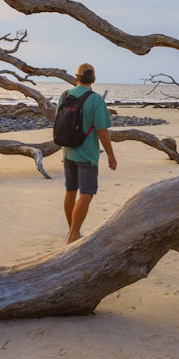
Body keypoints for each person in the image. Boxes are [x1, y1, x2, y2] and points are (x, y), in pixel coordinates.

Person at [60, 63, 117, 244]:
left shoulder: (64, 96)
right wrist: (110, 155)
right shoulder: (96, 100)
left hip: (68, 151)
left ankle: (72, 230)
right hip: (87, 155)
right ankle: (73, 234)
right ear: (93, 79)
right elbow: (102, 131)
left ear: (76, 78)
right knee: (87, 193)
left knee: (70, 191)